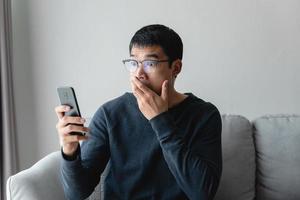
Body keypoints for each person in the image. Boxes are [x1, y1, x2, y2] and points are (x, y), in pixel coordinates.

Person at [55, 24, 222, 200]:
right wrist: (70, 151)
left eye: (150, 63)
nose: (139, 73)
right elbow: (76, 194)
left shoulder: (204, 115)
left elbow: (202, 193)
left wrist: (160, 119)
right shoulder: (110, 114)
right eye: (134, 63)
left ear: (176, 68)